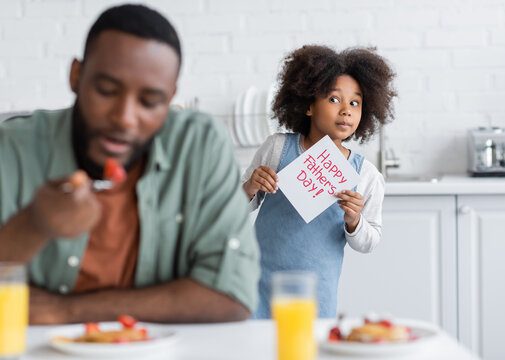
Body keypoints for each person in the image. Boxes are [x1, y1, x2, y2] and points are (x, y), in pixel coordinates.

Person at [0, 4, 260, 324]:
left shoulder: (201, 144)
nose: (124, 118)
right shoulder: (10, 147)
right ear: (76, 76)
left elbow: (232, 295)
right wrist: (34, 224)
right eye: (106, 91)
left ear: (170, 98)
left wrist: (66, 310)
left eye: (150, 102)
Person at [242, 45, 396, 318]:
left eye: (355, 103)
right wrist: (250, 187)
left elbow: (370, 241)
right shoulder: (276, 148)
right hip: (259, 282)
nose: (346, 110)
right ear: (309, 105)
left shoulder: (366, 175)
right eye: (334, 99)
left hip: (316, 292)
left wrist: (354, 221)